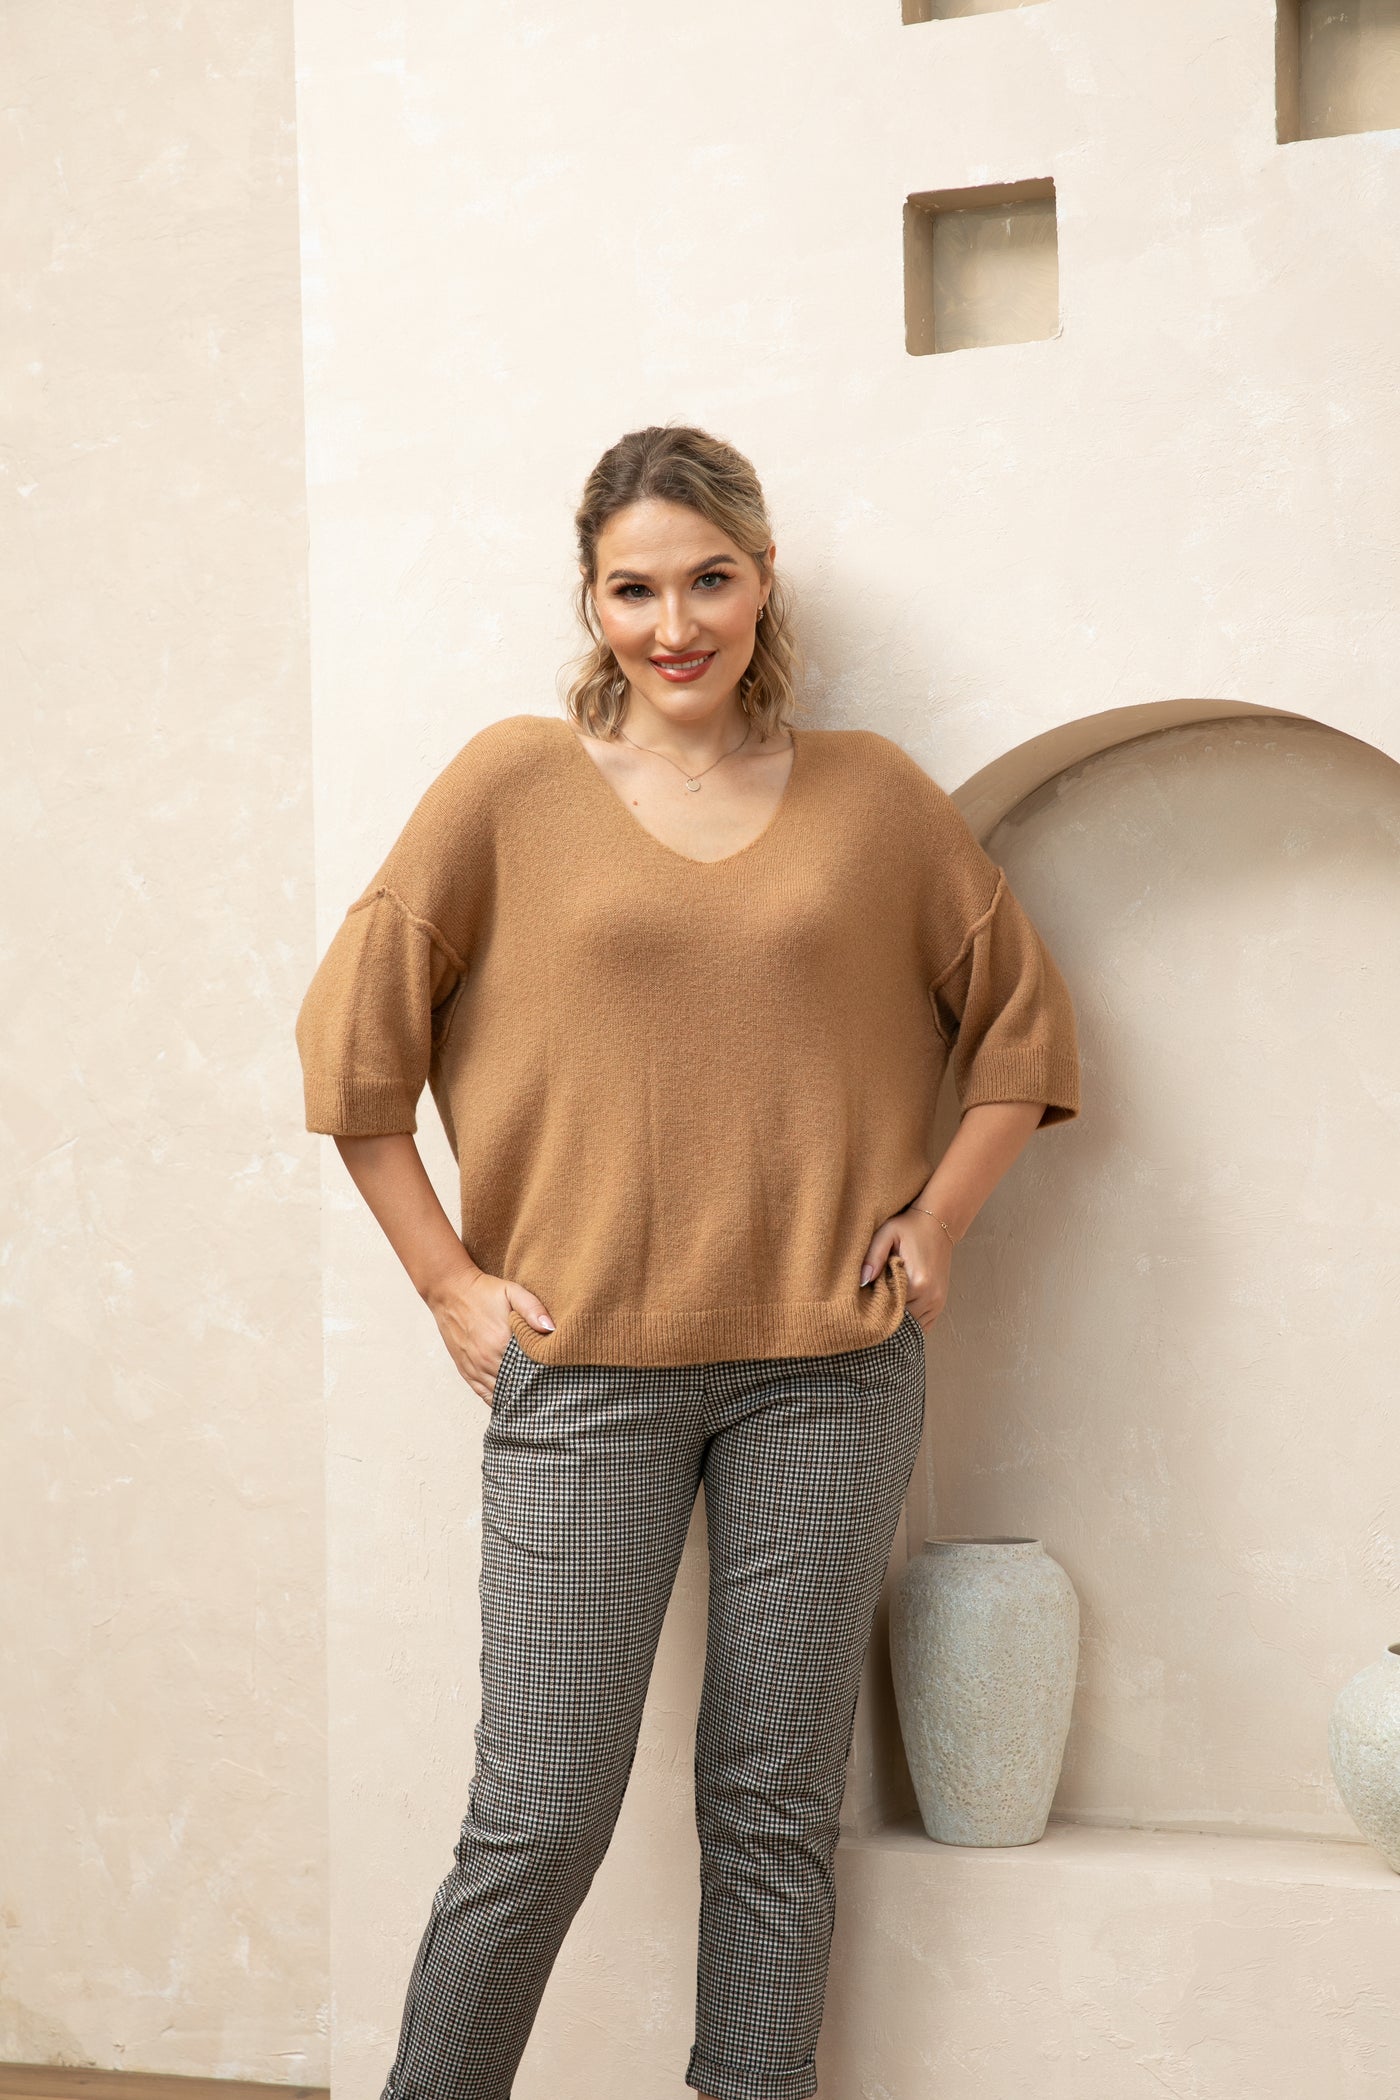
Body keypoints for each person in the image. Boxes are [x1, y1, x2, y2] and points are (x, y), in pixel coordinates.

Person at [294, 423, 1081, 2100]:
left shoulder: (873, 797)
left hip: (831, 1375)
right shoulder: (510, 786)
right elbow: (352, 1053)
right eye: (635, 590)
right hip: (584, 1377)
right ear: (591, 601)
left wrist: (937, 1221)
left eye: (709, 580)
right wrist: (445, 1282)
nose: (676, 625)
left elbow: (1021, 1027)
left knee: (773, 1808)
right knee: (539, 1814)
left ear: (762, 577)